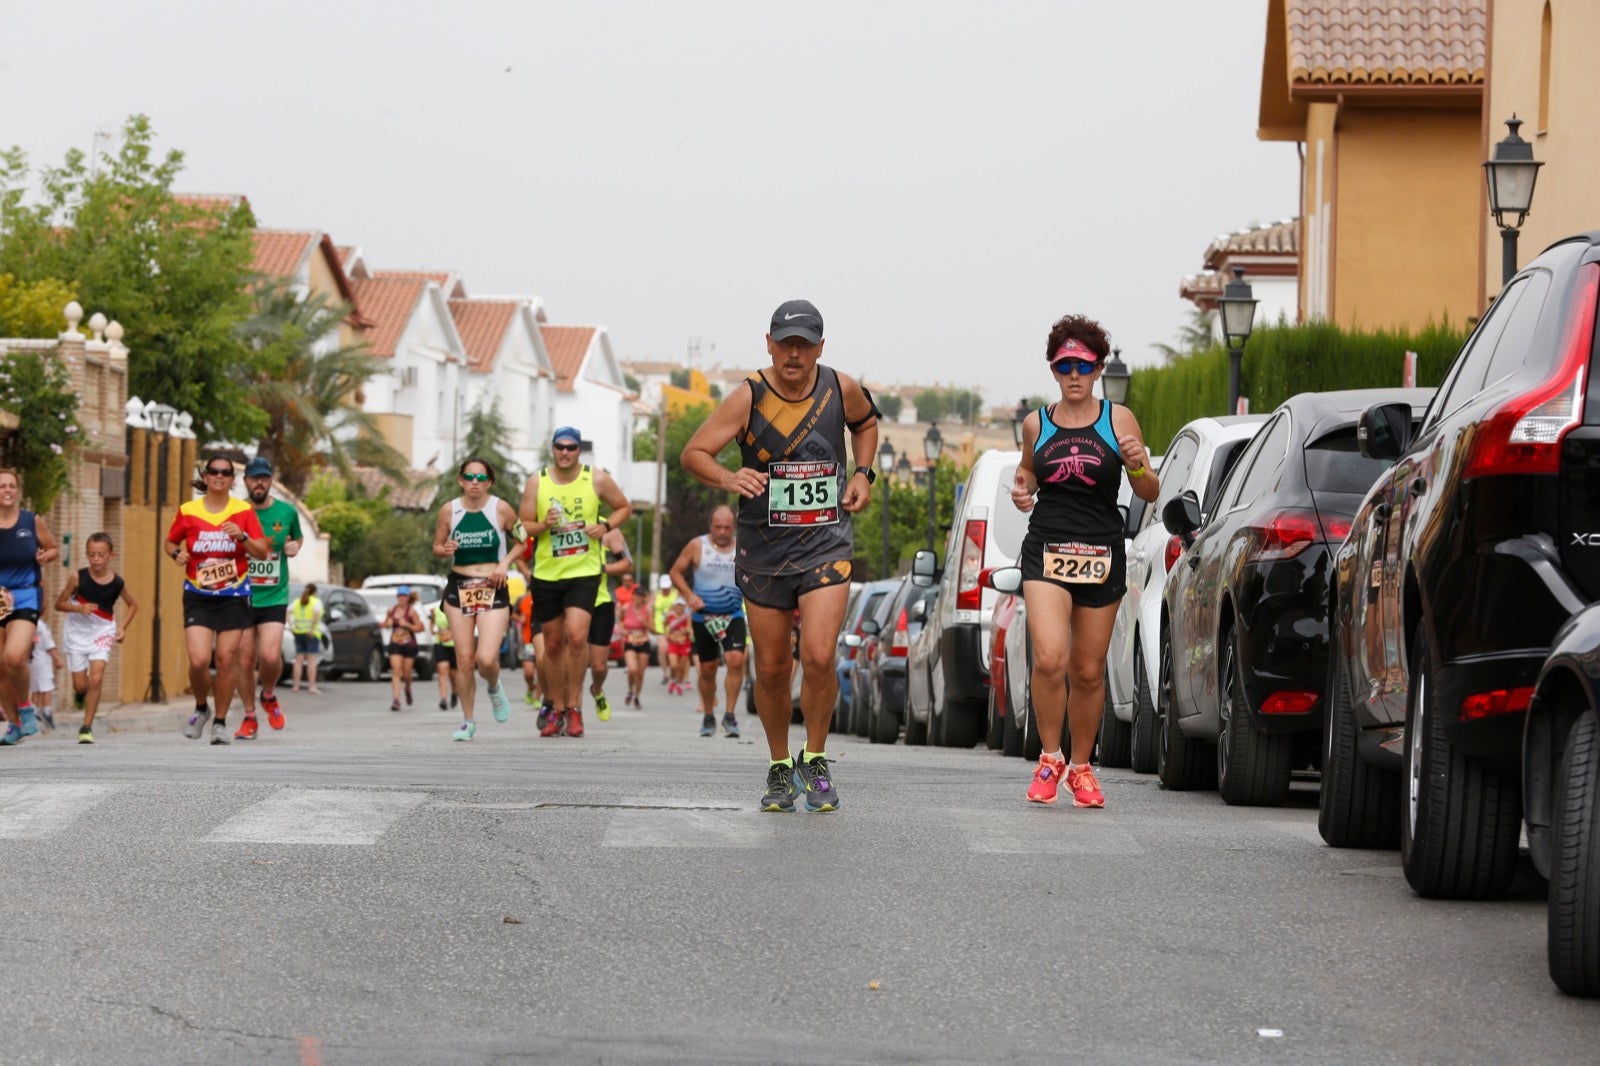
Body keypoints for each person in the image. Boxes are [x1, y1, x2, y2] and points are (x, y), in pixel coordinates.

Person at [680, 299, 880, 812]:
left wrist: (863, 473)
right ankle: (778, 765)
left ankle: (814, 757)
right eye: (785, 342)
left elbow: (866, 424)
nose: (794, 353)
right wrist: (727, 476)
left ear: (820, 347)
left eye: (804, 343)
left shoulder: (841, 386)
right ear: (768, 343)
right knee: (770, 668)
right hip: (764, 547)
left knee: (816, 655)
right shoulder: (748, 396)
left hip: (825, 542)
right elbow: (694, 453)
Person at [1011, 316, 1159, 808]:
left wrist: (1137, 462)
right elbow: (1029, 474)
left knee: (1089, 670)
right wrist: (1021, 489)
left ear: (1097, 370)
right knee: (1051, 657)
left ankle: (1081, 766)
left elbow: (1149, 489)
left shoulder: (1119, 420)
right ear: (1053, 369)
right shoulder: (1037, 422)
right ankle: (1049, 758)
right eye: (1064, 365)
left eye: (1084, 366)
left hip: (1101, 551)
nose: (1074, 375)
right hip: (1047, 549)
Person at [518, 426, 632, 739]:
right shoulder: (536, 481)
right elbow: (522, 524)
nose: (565, 452)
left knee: (577, 638)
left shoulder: (594, 478)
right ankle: (555, 707)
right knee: (553, 645)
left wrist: (605, 525)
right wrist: (543, 525)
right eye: (560, 447)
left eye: (571, 447)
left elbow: (624, 507)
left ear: (578, 450)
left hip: (584, 571)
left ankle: (576, 708)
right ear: (553, 449)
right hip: (547, 574)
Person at [167, 455, 269, 745]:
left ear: (232, 480)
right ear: (206, 476)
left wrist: (243, 536)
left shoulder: (243, 511)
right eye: (214, 472)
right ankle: (202, 708)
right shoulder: (188, 510)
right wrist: (177, 554)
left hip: (234, 594)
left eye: (226, 473)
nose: (220, 476)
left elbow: (262, 551)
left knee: (225, 660)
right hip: (198, 594)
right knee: (199, 660)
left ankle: (221, 723)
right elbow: (171, 541)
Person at [433, 457, 523, 741]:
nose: (474, 483)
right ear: (461, 480)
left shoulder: (501, 509)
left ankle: (494, 686)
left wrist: (504, 563)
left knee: (485, 659)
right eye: (469, 478)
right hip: (459, 586)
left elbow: (524, 540)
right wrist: (444, 549)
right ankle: (468, 721)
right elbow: (437, 546)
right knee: (465, 659)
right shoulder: (449, 511)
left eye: (480, 478)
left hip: (492, 585)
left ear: (489, 483)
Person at [234, 456, 303, 740]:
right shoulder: (236, 512)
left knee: (270, 656)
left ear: (271, 481)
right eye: (254, 478)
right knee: (245, 660)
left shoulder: (287, 512)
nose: (259, 482)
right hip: (241, 594)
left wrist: (294, 546)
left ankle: (269, 694)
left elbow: (297, 539)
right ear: (246, 481)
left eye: (264, 477)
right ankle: (249, 716)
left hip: (274, 593)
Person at [669, 504, 745, 738]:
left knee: (735, 661)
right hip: (704, 617)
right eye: (718, 527)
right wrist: (690, 596)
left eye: (727, 528)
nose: (722, 532)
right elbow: (675, 572)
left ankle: (730, 715)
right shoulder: (697, 545)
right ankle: (709, 714)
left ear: (734, 527)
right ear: (710, 526)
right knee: (708, 669)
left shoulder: (743, 546)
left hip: (732, 614)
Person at [56, 531, 138, 744]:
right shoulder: (77, 577)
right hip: (76, 633)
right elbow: (59, 603)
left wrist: (122, 628)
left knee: (97, 677)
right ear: (86, 554)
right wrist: (78, 607)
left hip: (102, 631)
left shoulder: (117, 583)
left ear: (111, 555)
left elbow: (133, 605)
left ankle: (86, 726)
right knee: (81, 685)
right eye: (91, 554)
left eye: (101, 555)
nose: (96, 559)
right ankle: (80, 694)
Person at [0, 469, 61, 746]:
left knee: (13, 657)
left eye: (12, 485)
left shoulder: (30, 520)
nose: (8, 490)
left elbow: (52, 548)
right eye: (2, 486)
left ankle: (26, 707)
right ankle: (13, 725)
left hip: (25, 595)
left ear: (17, 490)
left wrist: (44, 555)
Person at [583, 526, 632, 724]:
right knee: (573, 658)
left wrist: (600, 568)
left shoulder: (609, 530)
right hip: (572, 601)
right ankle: (570, 709)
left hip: (602, 601)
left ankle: (597, 689)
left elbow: (627, 564)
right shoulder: (566, 527)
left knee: (599, 665)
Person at [385, 586, 425, 711]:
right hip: (395, 644)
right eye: (399, 596)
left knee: (407, 674)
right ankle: (396, 700)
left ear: (408, 598)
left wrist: (407, 624)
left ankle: (407, 688)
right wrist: (388, 623)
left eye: (404, 596)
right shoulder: (391, 610)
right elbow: (386, 623)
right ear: (397, 597)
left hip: (409, 645)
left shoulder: (412, 612)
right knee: (396, 672)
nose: (401, 598)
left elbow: (420, 628)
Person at [618, 580, 652, 708]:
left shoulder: (647, 610)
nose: (638, 598)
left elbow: (653, 629)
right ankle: (630, 690)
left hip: (643, 641)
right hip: (630, 641)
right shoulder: (626, 608)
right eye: (636, 595)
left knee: (640, 673)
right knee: (632, 669)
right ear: (633, 596)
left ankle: (637, 696)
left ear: (644, 598)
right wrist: (622, 629)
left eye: (641, 596)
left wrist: (645, 623)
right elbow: (620, 622)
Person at [289, 583, 324, 694]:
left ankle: (296, 686)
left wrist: (291, 627)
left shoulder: (297, 601)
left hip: (298, 632)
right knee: (311, 661)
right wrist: (312, 629)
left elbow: (287, 612)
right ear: (315, 592)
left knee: (298, 660)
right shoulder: (316, 601)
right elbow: (316, 614)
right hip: (311, 634)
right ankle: (312, 687)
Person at [29, 620, 63, 730]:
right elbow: (49, 645)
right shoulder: (41, 625)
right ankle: (47, 711)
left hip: (31, 661)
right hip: (42, 660)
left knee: (36, 689)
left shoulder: (27, 623)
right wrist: (57, 659)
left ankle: (35, 710)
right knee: (46, 688)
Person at [663, 597, 693, 695]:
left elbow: (689, 628)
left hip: (684, 644)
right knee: (673, 665)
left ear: (684, 607)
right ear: (674, 607)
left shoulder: (687, 616)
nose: (679, 608)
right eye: (677, 606)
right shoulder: (670, 616)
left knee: (681, 667)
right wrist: (667, 633)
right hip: (673, 643)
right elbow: (665, 625)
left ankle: (679, 683)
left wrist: (685, 631)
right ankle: (672, 680)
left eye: (681, 606)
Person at [651, 574, 676, 686]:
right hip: (660, 627)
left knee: (673, 651)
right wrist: (651, 625)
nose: (665, 590)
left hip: (674, 627)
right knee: (663, 649)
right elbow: (650, 610)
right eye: (663, 588)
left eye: (667, 588)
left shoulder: (676, 594)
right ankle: (665, 673)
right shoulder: (655, 596)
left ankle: (674, 673)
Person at [431, 600, 456, 711]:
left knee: (454, 675)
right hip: (440, 643)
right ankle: (443, 698)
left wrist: (451, 633)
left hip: (455, 644)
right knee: (442, 669)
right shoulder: (436, 610)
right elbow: (432, 623)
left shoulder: (457, 609)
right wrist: (433, 629)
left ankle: (455, 692)